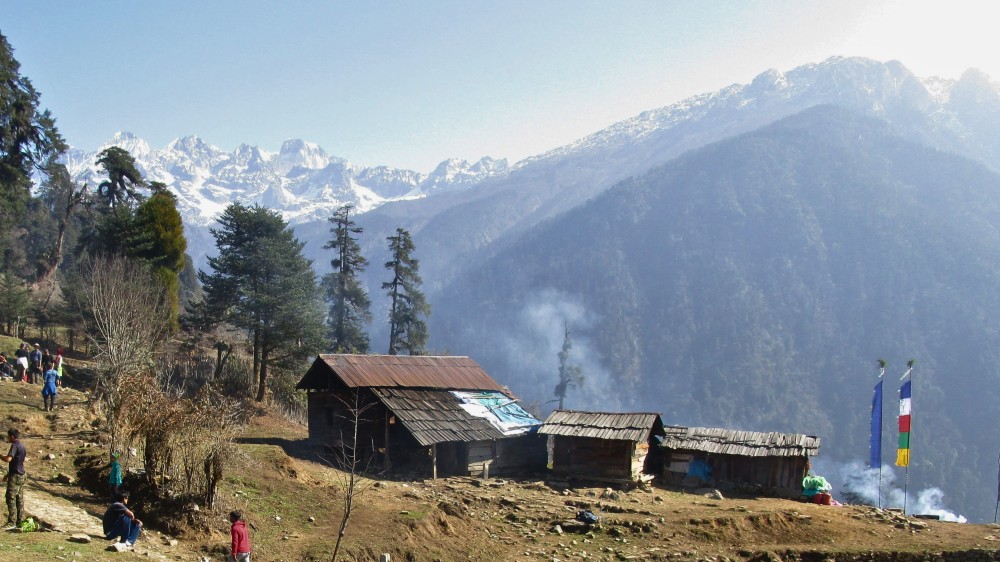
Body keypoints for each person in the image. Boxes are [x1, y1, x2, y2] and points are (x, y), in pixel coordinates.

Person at [1, 428, 26, 528]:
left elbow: (8, 459)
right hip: (21, 475)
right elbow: (17, 462)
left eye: (8, 436)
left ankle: (11, 522)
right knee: (19, 499)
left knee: (10, 498)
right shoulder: (22, 446)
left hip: (15, 476)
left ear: (12, 437)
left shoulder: (14, 446)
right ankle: (20, 521)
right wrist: (7, 475)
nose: (7, 438)